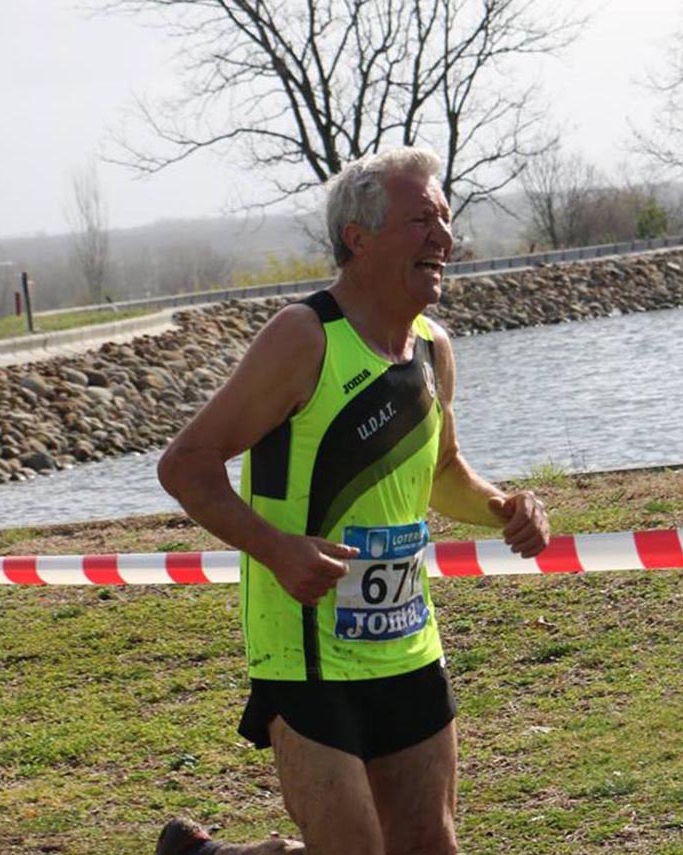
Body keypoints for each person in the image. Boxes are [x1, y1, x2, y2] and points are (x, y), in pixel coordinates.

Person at [154, 146, 550, 855]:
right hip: (307, 651)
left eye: (446, 218)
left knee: (431, 845)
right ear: (357, 239)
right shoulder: (304, 337)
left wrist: (504, 506)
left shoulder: (434, 347)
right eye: (420, 220)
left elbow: (444, 468)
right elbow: (186, 464)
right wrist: (278, 549)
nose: (443, 238)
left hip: (406, 640)